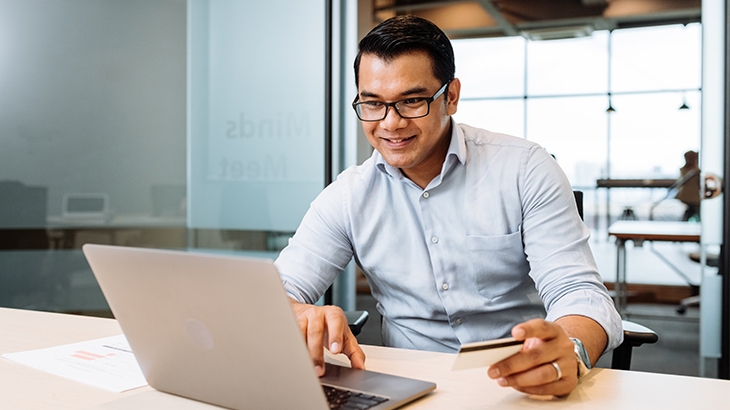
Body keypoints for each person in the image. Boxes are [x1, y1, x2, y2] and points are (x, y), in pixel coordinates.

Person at [274, 15, 622, 397]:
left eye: (411, 101)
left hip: (516, 385)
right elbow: (276, 293)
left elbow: (578, 291)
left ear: (451, 96)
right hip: (407, 388)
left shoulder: (524, 168)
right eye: (372, 104)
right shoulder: (348, 195)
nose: (390, 123)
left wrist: (568, 351)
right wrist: (300, 314)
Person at [675, 150, 701, 221]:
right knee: (693, 211)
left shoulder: (694, 170)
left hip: (693, 196)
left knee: (691, 211)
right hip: (691, 196)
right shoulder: (691, 171)